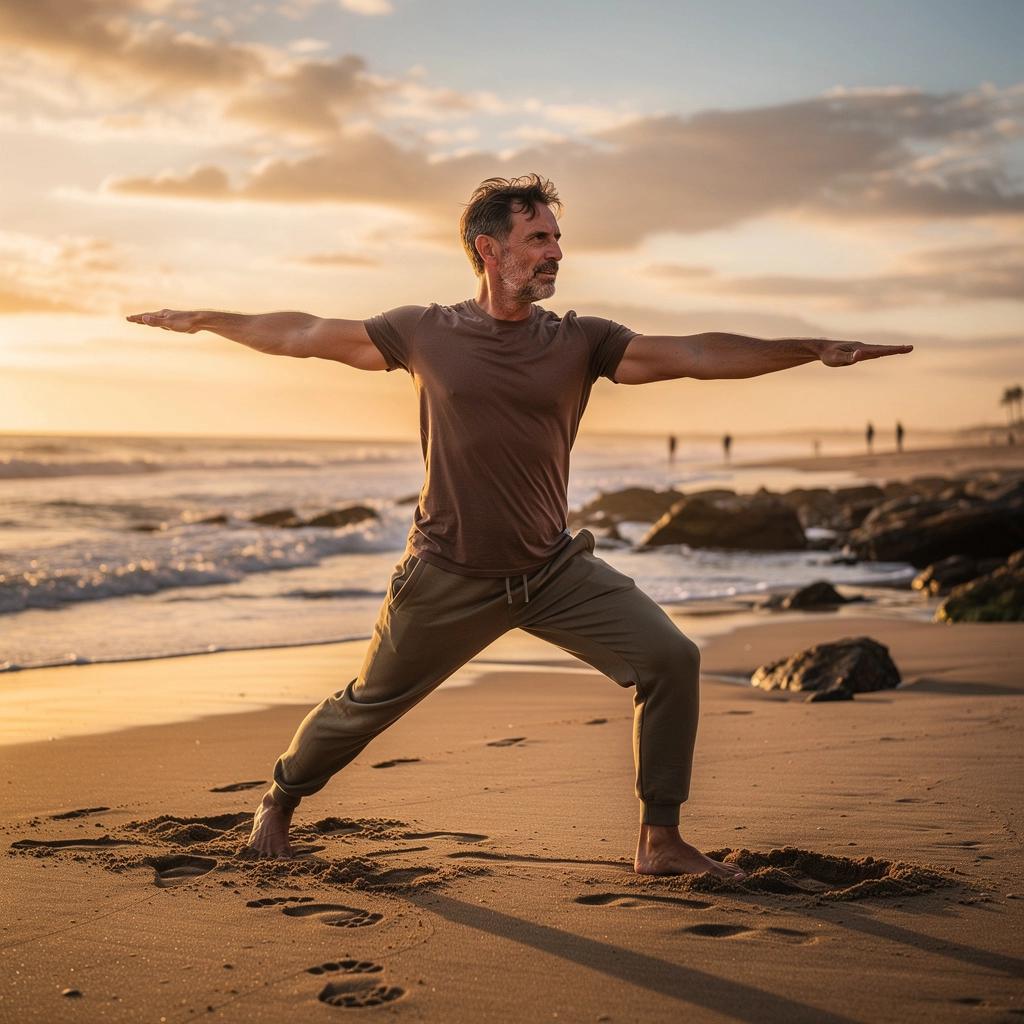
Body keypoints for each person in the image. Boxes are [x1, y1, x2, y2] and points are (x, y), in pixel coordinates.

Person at [128, 174, 913, 877]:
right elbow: (301, 333)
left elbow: (698, 352)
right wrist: (206, 318)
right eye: (539, 238)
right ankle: (279, 798)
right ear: (488, 248)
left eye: (558, 239)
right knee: (365, 704)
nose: (556, 253)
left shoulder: (580, 341)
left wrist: (808, 349)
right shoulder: (422, 331)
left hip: (552, 572)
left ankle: (659, 839)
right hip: (446, 572)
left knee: (670, 657)